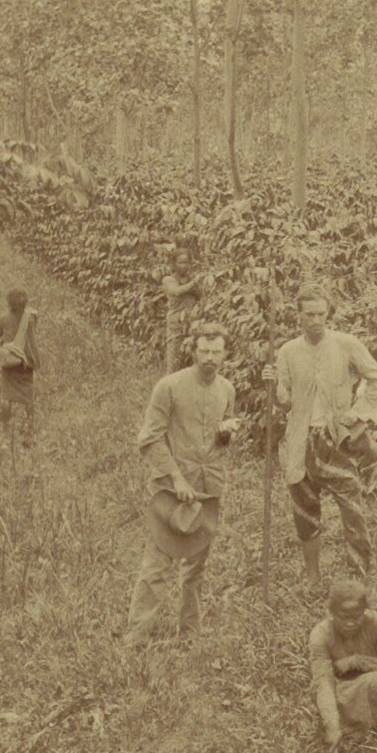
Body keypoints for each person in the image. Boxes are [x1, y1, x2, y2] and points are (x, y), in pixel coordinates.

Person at [126, 322, 241, 651]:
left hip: (209, 488)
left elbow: (221, 440)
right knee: (157, 565)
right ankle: (136, 637)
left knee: (196, 566)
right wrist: (176, 478)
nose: (210, 358)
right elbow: (149, 439)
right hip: (172, 491)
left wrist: (226, 434)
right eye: (204, 351)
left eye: (216, 352)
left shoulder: (227, 389)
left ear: (225, 353)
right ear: (192, 351)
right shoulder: (169, 387)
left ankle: (189, 633)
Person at [272, 286, 377, 589]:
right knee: (305, 509)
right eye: (309, 315)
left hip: (337, 438)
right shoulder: (287, 352)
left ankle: (358, 575)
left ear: (328, 314)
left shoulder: (346, 344)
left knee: (351, 506)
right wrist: (275, 388)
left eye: (321, 314)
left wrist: (358, 414)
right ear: (298, 316)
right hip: (301, 440)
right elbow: (284, 402)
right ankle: (312, 577)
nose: (315, 320)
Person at [309, 577, 377, 748]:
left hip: (371, 691)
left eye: (357, 617)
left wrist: (360, 662)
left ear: (365, 612)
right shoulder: (321, 634)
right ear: (331, 613)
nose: (351, 624)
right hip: (338, 694)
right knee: (321, 696)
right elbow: (323, 683)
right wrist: (332, 725)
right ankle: (344, 733)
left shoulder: (374, 623)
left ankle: (373, 733)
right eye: (344, 617)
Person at [0, 289, 38, 448]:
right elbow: (32, 337)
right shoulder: (30, 318)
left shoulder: (4, 318)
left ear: (9, 303)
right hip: (25, 364)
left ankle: (6, 428)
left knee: (6, 397)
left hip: (9, 363)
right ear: (25, 303)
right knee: (28, 396)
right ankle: (29, 427)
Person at [160, 248, 208, 372]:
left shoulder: (190, 279)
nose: (184, 266)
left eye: (187, 262)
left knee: (192, 363)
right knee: (174, 365)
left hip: (192, 325)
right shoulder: (168, 280)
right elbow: (176, 291)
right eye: (181, 262)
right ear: (174, 264)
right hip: (176, 326)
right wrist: (194, 282)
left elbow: (202, 297)